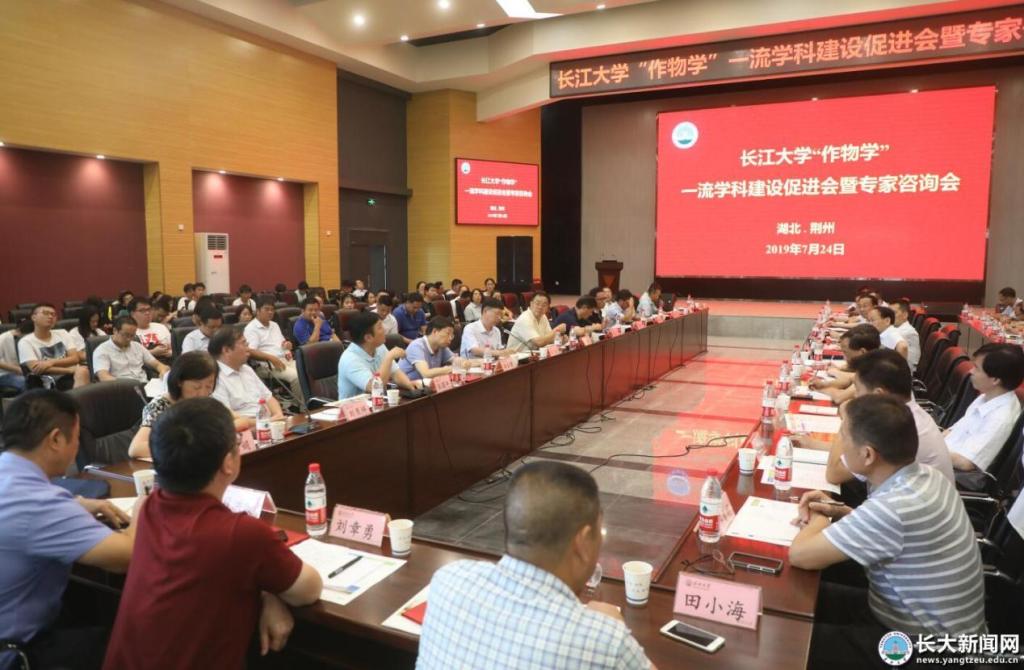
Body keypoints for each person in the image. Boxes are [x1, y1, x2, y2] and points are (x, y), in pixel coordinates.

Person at [102, 398, 323, 669]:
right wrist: (270, 589)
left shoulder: (146, 508)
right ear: (228, 462)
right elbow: (308, 590)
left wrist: (267, 590)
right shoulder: (242, 534)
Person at [789, 395, 985, 670]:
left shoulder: (895, 507)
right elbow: (890, 531)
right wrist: (837, 510)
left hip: (928, 651)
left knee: (791, 640)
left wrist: (819, 516)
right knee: (806, 599)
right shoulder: (926, 476)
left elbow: (800, 555)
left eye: (843, 437)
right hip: (912, 618)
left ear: (868, 455)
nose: (839, 443)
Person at [417, 460, 654, 670]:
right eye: (598, 533)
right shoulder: (605, 641)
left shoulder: (448, 580)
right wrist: (612, 626)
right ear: (582, 542)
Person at [0, 390, 137, 669]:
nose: (77, 447)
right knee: (137, 643)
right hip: (16, 653)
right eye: (76, 438)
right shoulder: (40, 504)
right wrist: (144, 507)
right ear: (55, 439)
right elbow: (127, 556)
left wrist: (75, 504)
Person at [798, 349, 955, 485]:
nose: (855, 396)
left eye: (858, 390)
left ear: (878, 394)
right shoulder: (906, 410)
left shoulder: (894, 426)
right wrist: (812, 444)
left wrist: (848, 419)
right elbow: (857, 453)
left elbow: (834, 474)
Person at [128, 351, 241, 458]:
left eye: (209, 386)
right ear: (179, 382)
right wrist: (190, 444)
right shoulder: (159, 406)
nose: (203, 393)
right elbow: (135, 449)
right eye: (197, 387)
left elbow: (241, 420)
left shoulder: (205, 400)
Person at [944, 343, 1024, 472]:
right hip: (942, 458)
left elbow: (966, 462)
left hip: (953, 473)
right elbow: (952, 431)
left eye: (976, 368)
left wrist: (928, 451)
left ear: (995, 380)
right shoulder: (986, 397)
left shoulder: (1000, 418)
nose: (971, 371)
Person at [208, 327, 285, 428]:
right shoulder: (214, 377)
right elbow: (228, 417)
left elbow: (268, 397)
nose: (248, 348)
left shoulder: (246, 369)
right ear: (226, 350)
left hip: (268, 423)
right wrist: (267, 422)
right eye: (244, 343)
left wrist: (278, 415)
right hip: (245, 430)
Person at [337, 311, 417, 399]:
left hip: (377, 402)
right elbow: (375, 388)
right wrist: (389, 358)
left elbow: (395, 372)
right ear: (368, 338)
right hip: (355, 406)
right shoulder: (350, 359)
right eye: (380, 327)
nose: (384, 330)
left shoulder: (379, 347)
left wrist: (411, 386)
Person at [245, 298, 303, 408]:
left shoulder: (274, 325)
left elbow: (281, 343)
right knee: (297, 377)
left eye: (272, 310)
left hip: (284, 360)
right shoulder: (251, 329)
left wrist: (287, 344)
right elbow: (250, 351)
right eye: (267, 309)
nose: (270, 312)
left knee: (305, 371)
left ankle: (307, 402)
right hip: (267, 365)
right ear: (258, 311)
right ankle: (299, 407)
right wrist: (271, 358)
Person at [18, 304, 90, 390]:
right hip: (48, 381)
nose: (50, 316)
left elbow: (74, 358)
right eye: (46, 313)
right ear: (34, 317)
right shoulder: (25, 342)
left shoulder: (63, 333)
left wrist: (50, 362)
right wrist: (70, 370)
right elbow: (35, 368)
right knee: (83, 376)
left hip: (74, 374)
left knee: (86, 374)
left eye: (53, 314)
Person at [808, 324, 880, 405]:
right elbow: (848, 380)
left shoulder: (874, 371)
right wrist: (824, 384)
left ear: (862, 352)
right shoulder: (871, 362)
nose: (843, 357)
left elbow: (839, 398)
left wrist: (819, 389)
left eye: (845, 352)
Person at [93, 316, 168, 383]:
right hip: (121, 387)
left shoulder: (137, 346)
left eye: (132, 335)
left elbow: (158, 365)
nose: (129, 339)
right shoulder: (102, 350)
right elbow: (104, 377)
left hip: (144, 385)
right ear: (115, 331)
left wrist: (163, 371)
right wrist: (129, 384)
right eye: (126, 335)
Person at [398, 316, 467, 382]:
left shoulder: (442, 347)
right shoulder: (417, 346)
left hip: (426, 385)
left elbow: (456, 360)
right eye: (448, 334)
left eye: (452, 335)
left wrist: (464, 362)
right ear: (435, 332)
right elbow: (426, 373)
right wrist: (451, 368)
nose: (450, 338)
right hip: (405, 386)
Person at [130, 298, 172, 362]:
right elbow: (130, 357)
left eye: (149, 309)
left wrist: (169, 353)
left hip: (167, 361)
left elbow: (173, 349)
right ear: (132, 314)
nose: (147, 313)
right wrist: (152, 352)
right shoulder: (129, 332)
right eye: (142, 310)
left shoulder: (161, 327)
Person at [0, 320, 31, 393]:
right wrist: (17, 369)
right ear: (18, 331)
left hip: (25, 372)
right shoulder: (2, 339)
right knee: (26, 382)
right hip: (4, 374)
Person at [891, 298, 921, 371]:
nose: (889, 316)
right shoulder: (895, 327)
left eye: (893, 313)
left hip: (903, 372)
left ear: (905, 315)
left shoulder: (907, 332)